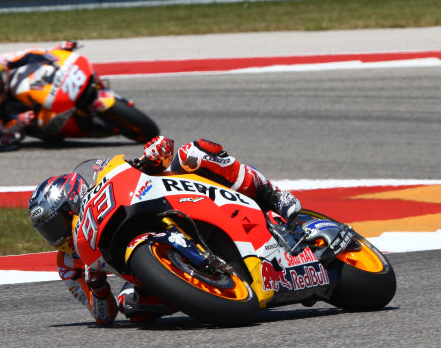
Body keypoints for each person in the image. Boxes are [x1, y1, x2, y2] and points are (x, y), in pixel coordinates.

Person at [27, 136, 302, 325]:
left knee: (192, 153)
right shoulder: (68, 264)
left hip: (179, 199)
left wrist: (152, 157)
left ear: (73, 201)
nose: (58, 237)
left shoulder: (100, 187)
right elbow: (103, 316)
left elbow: (140, 164)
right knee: (132, 306)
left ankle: (271, 193)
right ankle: (206, 291)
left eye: (57, 224)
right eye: (48, 232)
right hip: (142, 260)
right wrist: (97, 285)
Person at [0, 40, 78, 147]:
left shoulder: (3, 62)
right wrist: (18, 121)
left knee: (34, 64)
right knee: (6, 138)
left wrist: (54, 53)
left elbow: (30, 52)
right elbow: (1, 123)